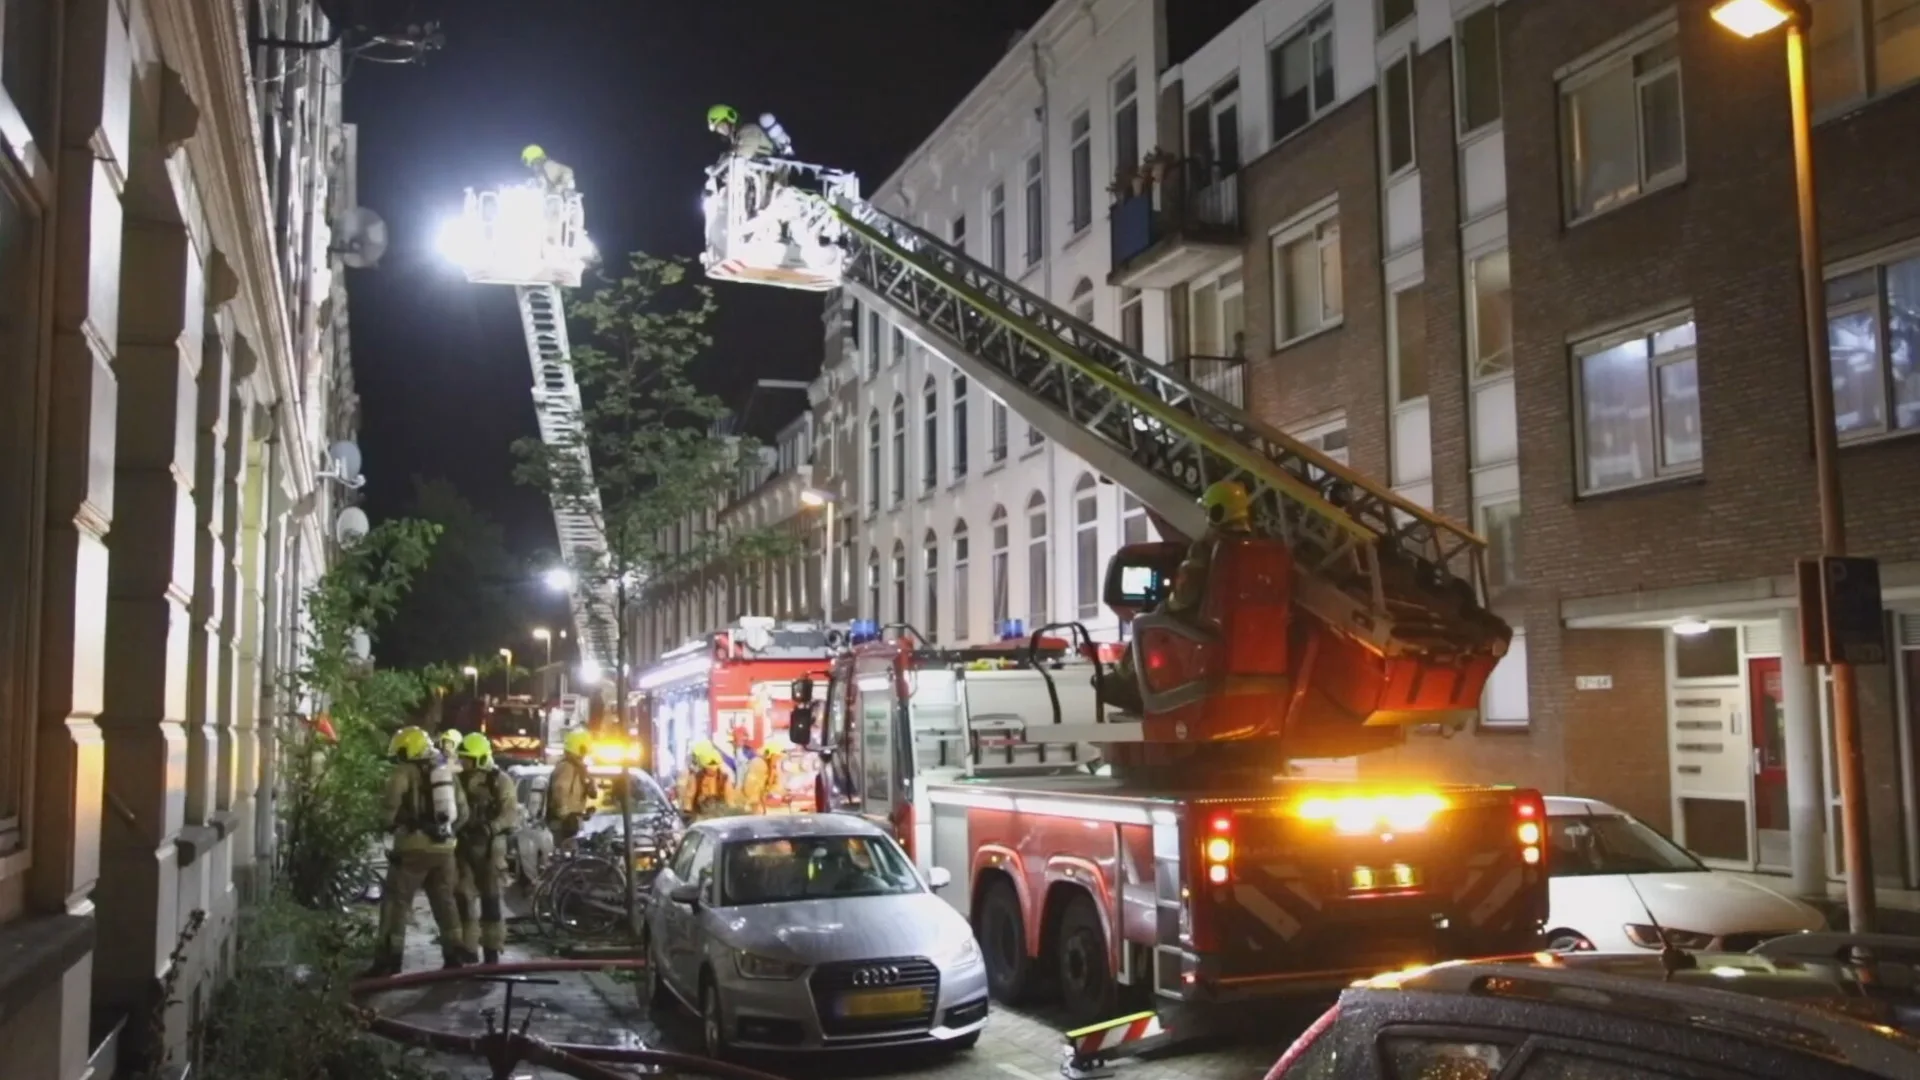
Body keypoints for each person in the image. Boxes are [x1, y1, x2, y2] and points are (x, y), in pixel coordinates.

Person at [1100, 481, 1256, 711]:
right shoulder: (1257, 546)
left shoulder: (1206, 547)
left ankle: (1128, 683)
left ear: (1217, 512)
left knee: (1144, 620)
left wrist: (1164, 606)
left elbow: (1184, 596)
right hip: (1237, 625)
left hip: (1202, 622)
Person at [365, 726, 469, 976]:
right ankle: (454, 955)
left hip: (412, 848)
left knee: (396, 903)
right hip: (445, 850)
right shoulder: (444, 773)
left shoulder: (403, 772)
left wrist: (390, 825)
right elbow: (463, 813)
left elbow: (388, 808)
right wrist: (446, 832)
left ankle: (389, 960)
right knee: (445, 901)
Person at [453, 733, 518, 965]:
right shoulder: (458, 780)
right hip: (463, 846)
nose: (463, 763)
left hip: (490, 849)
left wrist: (493, 827)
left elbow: (510, 812)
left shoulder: (499, 780)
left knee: (490, 901)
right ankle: (468, 949)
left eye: (468, 758)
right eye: (462, 758)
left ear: (480, 758)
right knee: (463, 896)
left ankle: (491, 950)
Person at [546, 728, 595, 848]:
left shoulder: (578, 768)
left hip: (570, 824)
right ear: (581, 748)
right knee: (568, 859)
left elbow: (590, 791)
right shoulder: (567, 767)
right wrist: (566, 816)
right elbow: (560, 791)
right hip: (563, 826)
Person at [677, 739, 736, 818]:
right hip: (700, 815)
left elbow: (730, 800)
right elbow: (688, 798)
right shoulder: (695, 777)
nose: (712, 769)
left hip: (720, 816)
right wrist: (688, 814)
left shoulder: (724, 778)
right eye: (709, 766)